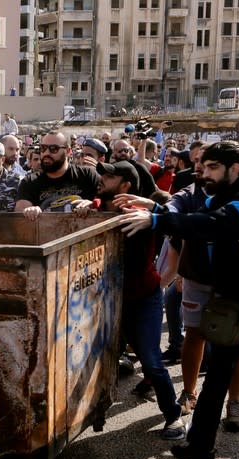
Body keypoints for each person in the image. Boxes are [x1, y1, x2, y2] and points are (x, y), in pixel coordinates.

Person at [119, 141, 239, 459]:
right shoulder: (217, 197)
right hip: (230, 306)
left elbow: (207, 224)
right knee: (217, 377)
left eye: (211, 168)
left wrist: (155, 220)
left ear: (234, 170)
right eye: (201, 167)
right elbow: (190, 213)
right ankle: (200, 448)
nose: (202, 173)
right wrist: (157, 210)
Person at [71, 161, 186, 440]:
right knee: (83, 357)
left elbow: (177, 233)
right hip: (101, 300)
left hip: (141, 299)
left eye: (110, 176)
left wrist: (170, 278)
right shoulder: (97, 207)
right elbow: (87, 206)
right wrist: (83, 206)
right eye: (103, 174)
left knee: (150, 359)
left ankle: (174, 416)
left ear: (126, 186)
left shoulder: (137, 215)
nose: (102, 178)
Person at [15, 130, 99, 216]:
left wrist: (91, 204)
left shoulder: (87, 175)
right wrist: (29, 211)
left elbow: (105, 203)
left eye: (54, 149)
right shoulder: (30, 182)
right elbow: (20, 215)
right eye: (43, 148)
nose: (46, 153)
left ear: (68, 151)